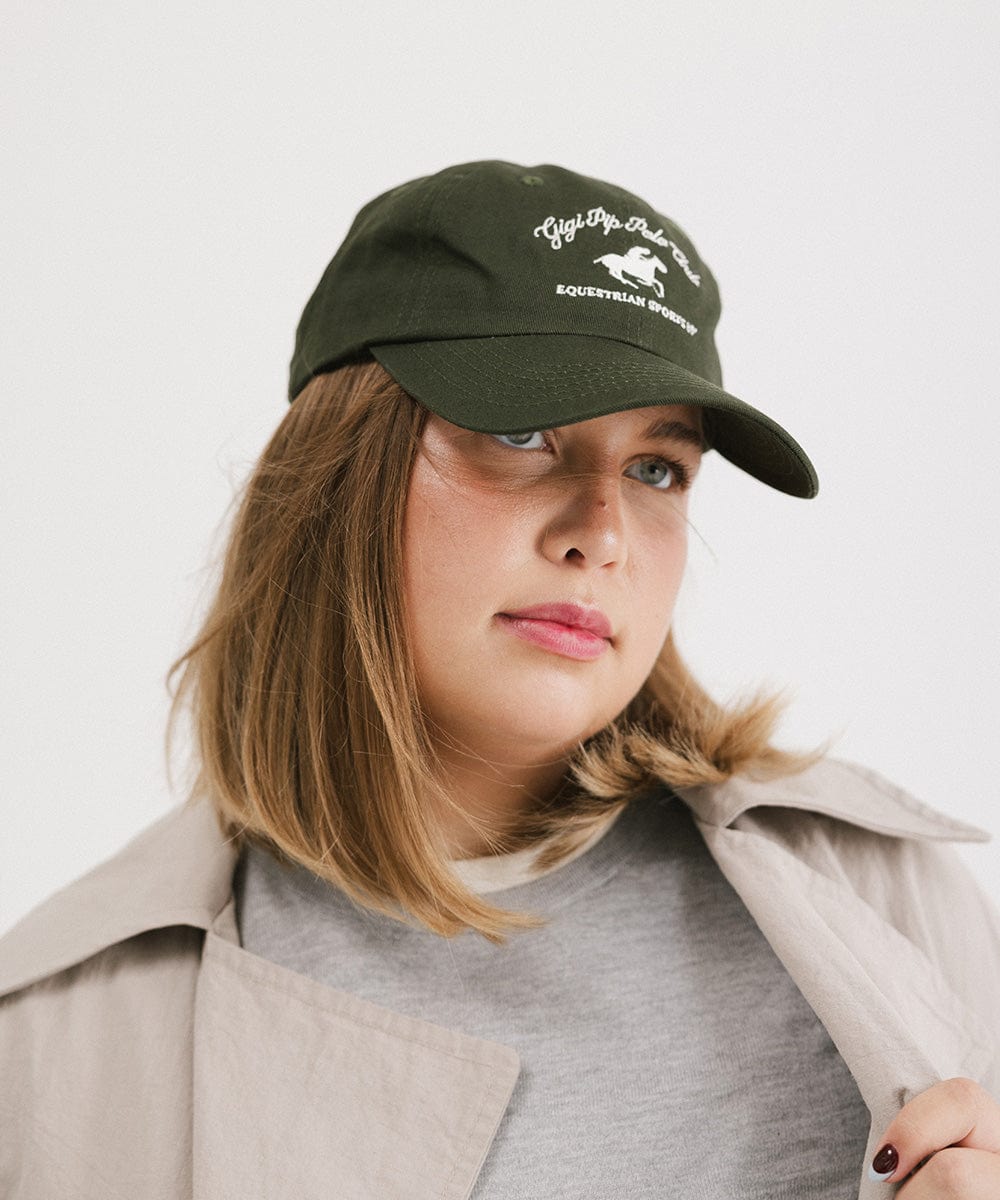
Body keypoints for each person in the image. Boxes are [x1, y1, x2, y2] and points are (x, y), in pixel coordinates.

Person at [2, 160, 999, 1199]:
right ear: (339, 475)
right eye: (521, 434)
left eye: (657, 469)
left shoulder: (890, 900)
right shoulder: (65, 1032)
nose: (602, 533)